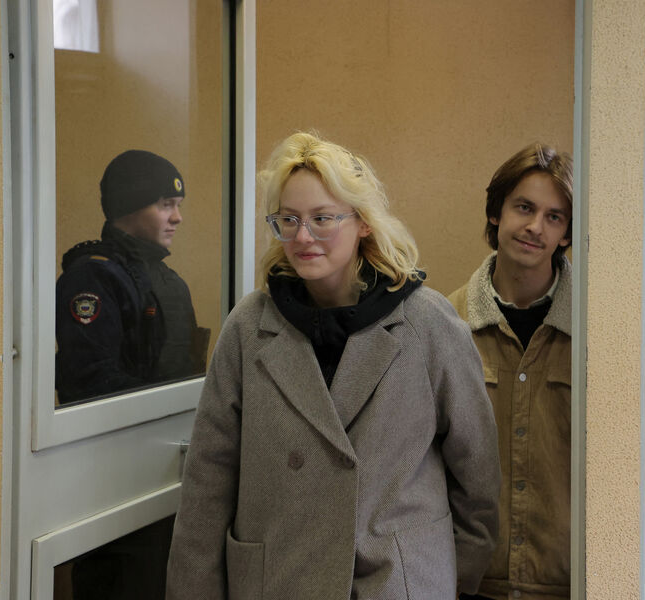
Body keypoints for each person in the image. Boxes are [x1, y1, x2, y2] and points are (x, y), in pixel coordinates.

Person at [165, 132, 501, 599]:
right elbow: (208, 481)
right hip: (278, 581)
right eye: (288, 220)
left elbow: (477, 474)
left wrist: (441, 577)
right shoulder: (249, 327)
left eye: (322, 219)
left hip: (394, 584)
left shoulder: (427, 323)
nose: (303, 237)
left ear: (363, 222)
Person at [450, 143, 645, 600]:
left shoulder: (605, 331)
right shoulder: (446, 323)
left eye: (554, 216)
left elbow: (644, 470)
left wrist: (629, 586)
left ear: (567, 233)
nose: (536, 227)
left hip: (575, 586)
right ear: (495, 212)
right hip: (466, 584)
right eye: (524, 208)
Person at [55, 149, 208, 405]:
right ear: (130, 207)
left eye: (178, 205)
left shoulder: (169, 281)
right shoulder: (93, 277)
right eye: (166, 204)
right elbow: (91, 383)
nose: (177, 218)